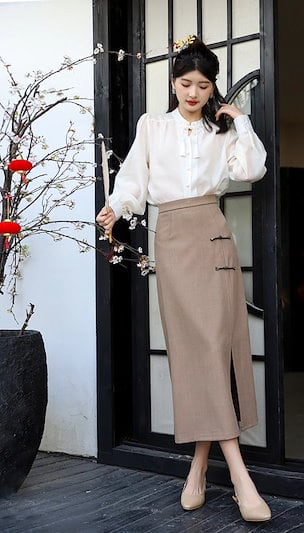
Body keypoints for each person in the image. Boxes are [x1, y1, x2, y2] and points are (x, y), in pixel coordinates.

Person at [96, 36, 270, 523]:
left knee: (215, 350)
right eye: (186, 83)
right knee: (193, 354)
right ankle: (227, 473)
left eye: (203, 85)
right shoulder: (152, 127)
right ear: (173, 83)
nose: (193, 93)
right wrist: (117, 209)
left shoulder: (223, 131)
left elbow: (252, 169)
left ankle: (212, 471)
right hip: (172, 241)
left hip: (213, 238)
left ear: (213, 88)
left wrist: (241, 121)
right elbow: (133, 180)